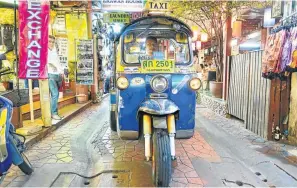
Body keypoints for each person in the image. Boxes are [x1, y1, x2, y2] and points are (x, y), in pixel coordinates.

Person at [48, 35, 64, 120]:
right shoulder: (45, 51)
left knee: (55, 95)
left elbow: (57, 62)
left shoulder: (54, 50)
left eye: (53, 42)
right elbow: (44, 61)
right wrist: (51, 65)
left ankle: (53, 112)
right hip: (50, 74)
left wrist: (61, 71)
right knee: (55, 94)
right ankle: (54, 113)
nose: (51, 43)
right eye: (49, 41)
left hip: (58, 75)